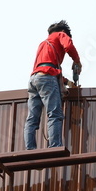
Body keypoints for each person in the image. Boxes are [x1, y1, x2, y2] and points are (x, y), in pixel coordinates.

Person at [24, 20, 82, 150]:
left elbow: (46, 67)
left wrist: (66, 82)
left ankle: (30, 149)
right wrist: (77, 61)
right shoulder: (60, 35)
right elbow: (68, 46)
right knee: (55, 114)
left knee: (32, 118)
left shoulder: (43, 44)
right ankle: (55, 147)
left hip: (34, 79)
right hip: (46, 78)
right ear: (63, 32)